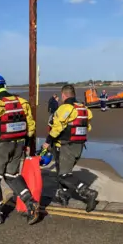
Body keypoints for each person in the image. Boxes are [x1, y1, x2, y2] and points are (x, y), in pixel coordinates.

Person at [0, 73, 40, 225]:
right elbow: (31, 127)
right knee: (12, 175)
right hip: (19, 144)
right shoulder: (22, 102)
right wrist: (28, 145)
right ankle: (31, 203)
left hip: (0, 146)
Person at [42, 84, 99, 212]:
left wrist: (47, 142)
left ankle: (87, 193)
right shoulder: (83, 108)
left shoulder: (65, 109)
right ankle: (64, 196)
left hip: (66, 146)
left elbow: (57, 128)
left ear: (63, 95)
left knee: (63, 175)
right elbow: (87, 127)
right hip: (79, 146)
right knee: (65, 171)